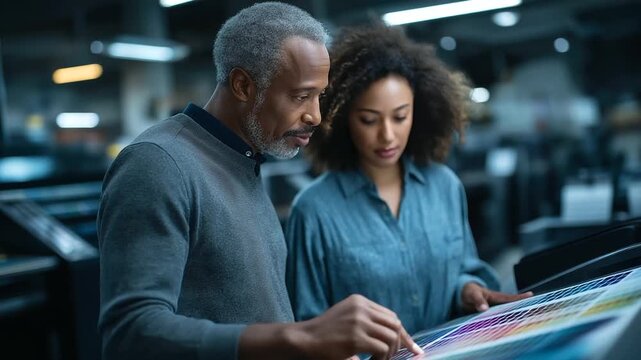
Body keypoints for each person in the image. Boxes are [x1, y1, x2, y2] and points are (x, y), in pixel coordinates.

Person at [97, 3, 422, 360]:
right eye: (300, 96)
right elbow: (131, 332)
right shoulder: (159, 163)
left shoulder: (245, 159)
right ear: (242, 85)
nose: (316, 115)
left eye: (319, 95)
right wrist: (303, 337)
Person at [285, 24, 532, 335]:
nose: (387, 136)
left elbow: (462, 269)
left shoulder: (444, 186)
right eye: (369, 120)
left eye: (400, 116)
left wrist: (468, 290)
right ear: (342, 118)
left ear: (420, 111)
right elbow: (307, 326)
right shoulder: (314, 211)